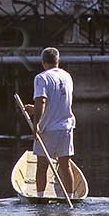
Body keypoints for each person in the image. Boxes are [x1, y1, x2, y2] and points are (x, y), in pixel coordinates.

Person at [25, 47, 76, 198]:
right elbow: (56, 103)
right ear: (58, 61)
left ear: (42, 62)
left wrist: (36, 125)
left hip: (48, 129)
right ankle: (71, 197)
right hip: (66, 127)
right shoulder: (67, 76)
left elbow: (42, 101)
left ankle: (40, 197)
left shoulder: (41, 78)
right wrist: (34, 109)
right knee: (66, 166)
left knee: (42, 166)